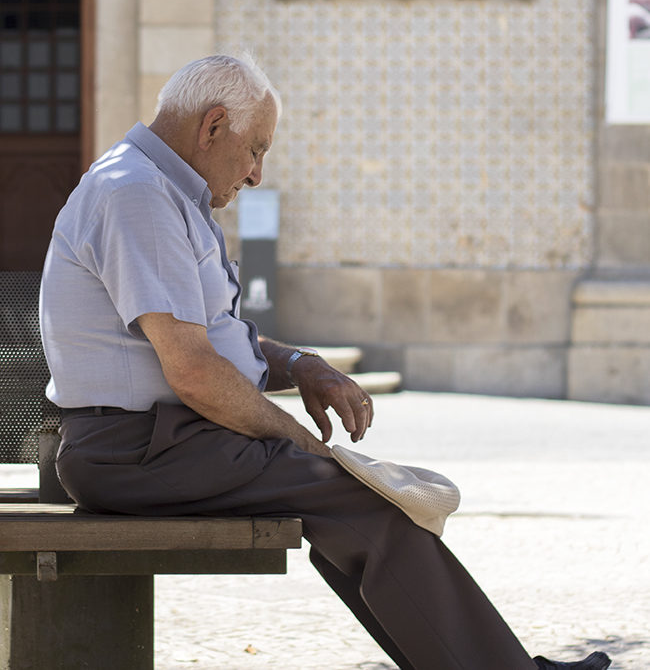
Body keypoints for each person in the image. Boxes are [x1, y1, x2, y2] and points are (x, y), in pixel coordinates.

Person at [39, 54, 611, 670]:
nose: (257, 173)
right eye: (255, 149)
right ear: (212, 127)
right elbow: (194, 371)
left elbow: (206, 342)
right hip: (138, 449)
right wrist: (303, 444)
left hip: (162, 442)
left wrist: (299, 363)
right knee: (363, 499)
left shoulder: (161, 191)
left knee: (358, 507)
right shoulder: (138, 196)